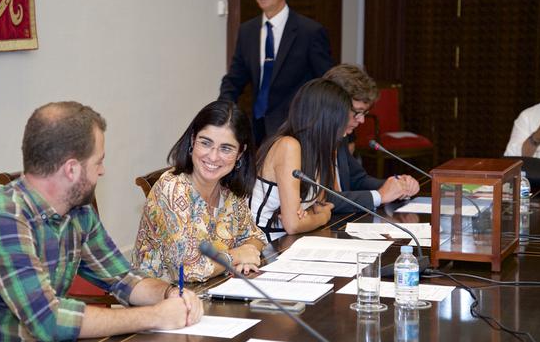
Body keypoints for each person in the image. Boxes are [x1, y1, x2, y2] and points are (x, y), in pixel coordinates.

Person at [0, 102, 203, 342]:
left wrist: (169, 294)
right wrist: (155, 316)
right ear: (72, 169)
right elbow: (49, 321)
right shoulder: (6, 219)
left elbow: (123, 279)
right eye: (98, 162)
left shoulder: (77, 211)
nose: (102, 171)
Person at [132, 101, 266, 283]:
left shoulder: (228, 189)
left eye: (226, 148)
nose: (213, 156)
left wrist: (248, 254)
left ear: (240, 153)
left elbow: (254, 236)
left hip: (211, 289)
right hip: (162, 294)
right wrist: (236, 256)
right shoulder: (172, 188)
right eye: (205, 143)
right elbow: (187, 270)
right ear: (192, 140)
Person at [219, 0, 333, 146]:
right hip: (257, 128)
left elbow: (328, 83)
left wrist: (342, 132)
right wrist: (221, 114)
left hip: (296, 129)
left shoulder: (309, 32)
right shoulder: (248, 31)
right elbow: (234, 79)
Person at [250, 78, 347, 241]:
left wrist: (309, 215)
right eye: (340, 124)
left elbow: (319, 205)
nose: (344, 133)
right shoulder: (288, 146)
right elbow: (293, 225)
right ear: (325, 120)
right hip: (262, 243)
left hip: (290, 240)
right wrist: (323, 217)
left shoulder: (318, 151)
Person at [323, 64, 420, 213]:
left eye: (364, 113)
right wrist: (380, 196)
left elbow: (358, 180)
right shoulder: (303, 141)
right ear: (335, 104)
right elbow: (322, 199)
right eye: (357, 112)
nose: (362, 120)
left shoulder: (340, 137)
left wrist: (397, 186)